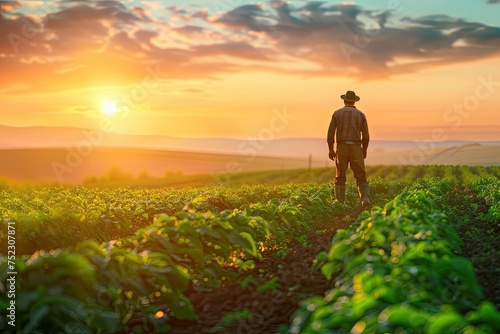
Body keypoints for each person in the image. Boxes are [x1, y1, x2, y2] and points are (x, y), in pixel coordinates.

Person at [327, 90, 370, 207]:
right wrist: (364, 150)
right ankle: (364, 198)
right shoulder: (361, 115)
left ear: (345, 100)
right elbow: (365, 137)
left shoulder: (337, 113)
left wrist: (331, 149)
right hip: (356, 146)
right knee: (360, 174)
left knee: (340, 175)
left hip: (342, 147)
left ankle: (340, 202)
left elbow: (330, 134)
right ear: (354, 101)